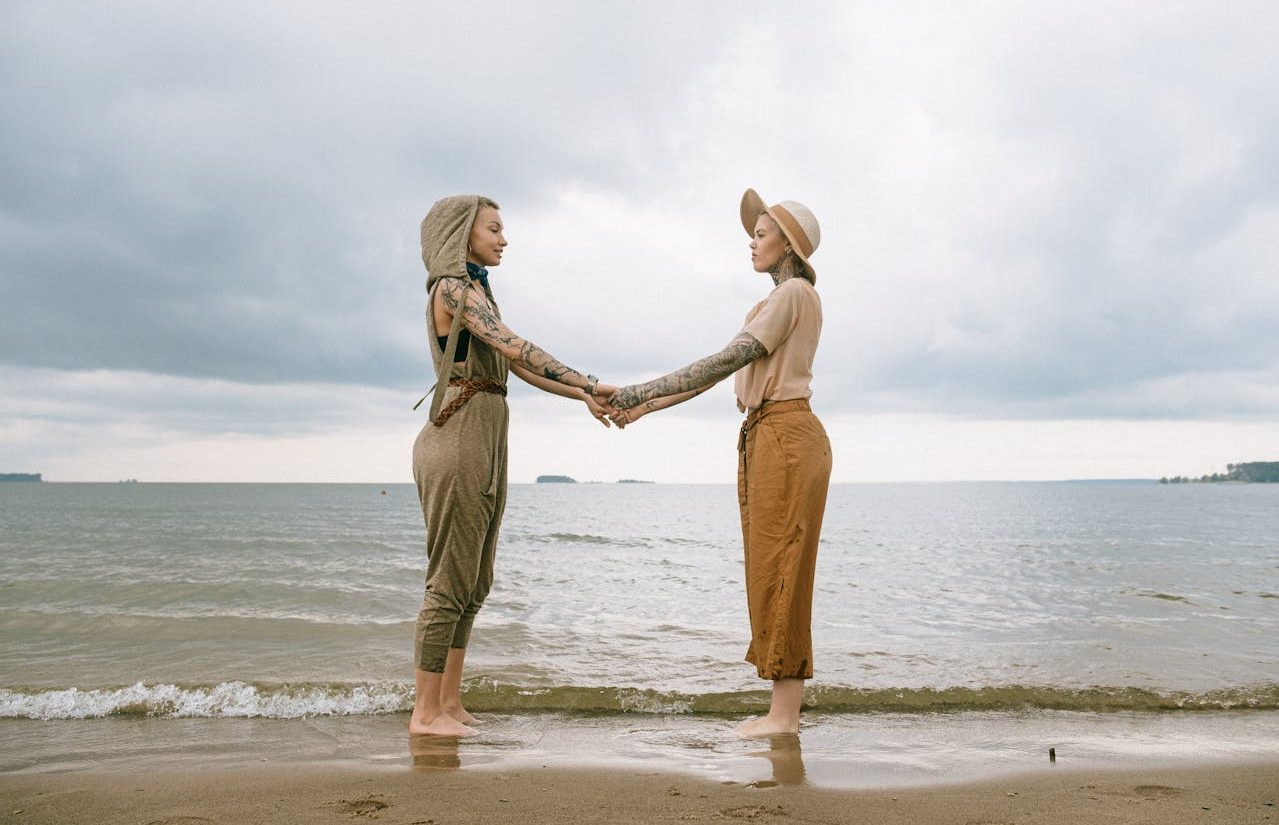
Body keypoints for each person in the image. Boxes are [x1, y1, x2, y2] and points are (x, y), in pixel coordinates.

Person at [609, 188, 832, 737]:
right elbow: (726, 376)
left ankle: (783, 719)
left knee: (784, 571)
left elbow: (727, 360)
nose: (750, 245)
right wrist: (648, 406)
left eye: (760, 236)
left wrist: (642, 389)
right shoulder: (771, 303)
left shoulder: (795, 293)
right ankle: (781, 714)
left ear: (788, 245)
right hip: (767, 434)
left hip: (786, 434)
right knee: (768, 572)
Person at [411, 195, 616, 737]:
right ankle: (424, 713)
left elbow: (518, 369)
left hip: (487, 437)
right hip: (456, 439)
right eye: (494, 228)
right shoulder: (451, 289)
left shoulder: (479, 293)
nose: (504, 239)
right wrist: (591, 381)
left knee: (476, 582)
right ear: (463, 234)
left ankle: (449, 704)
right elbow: (517, 348)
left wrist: (583, 397)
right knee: (448, 581)